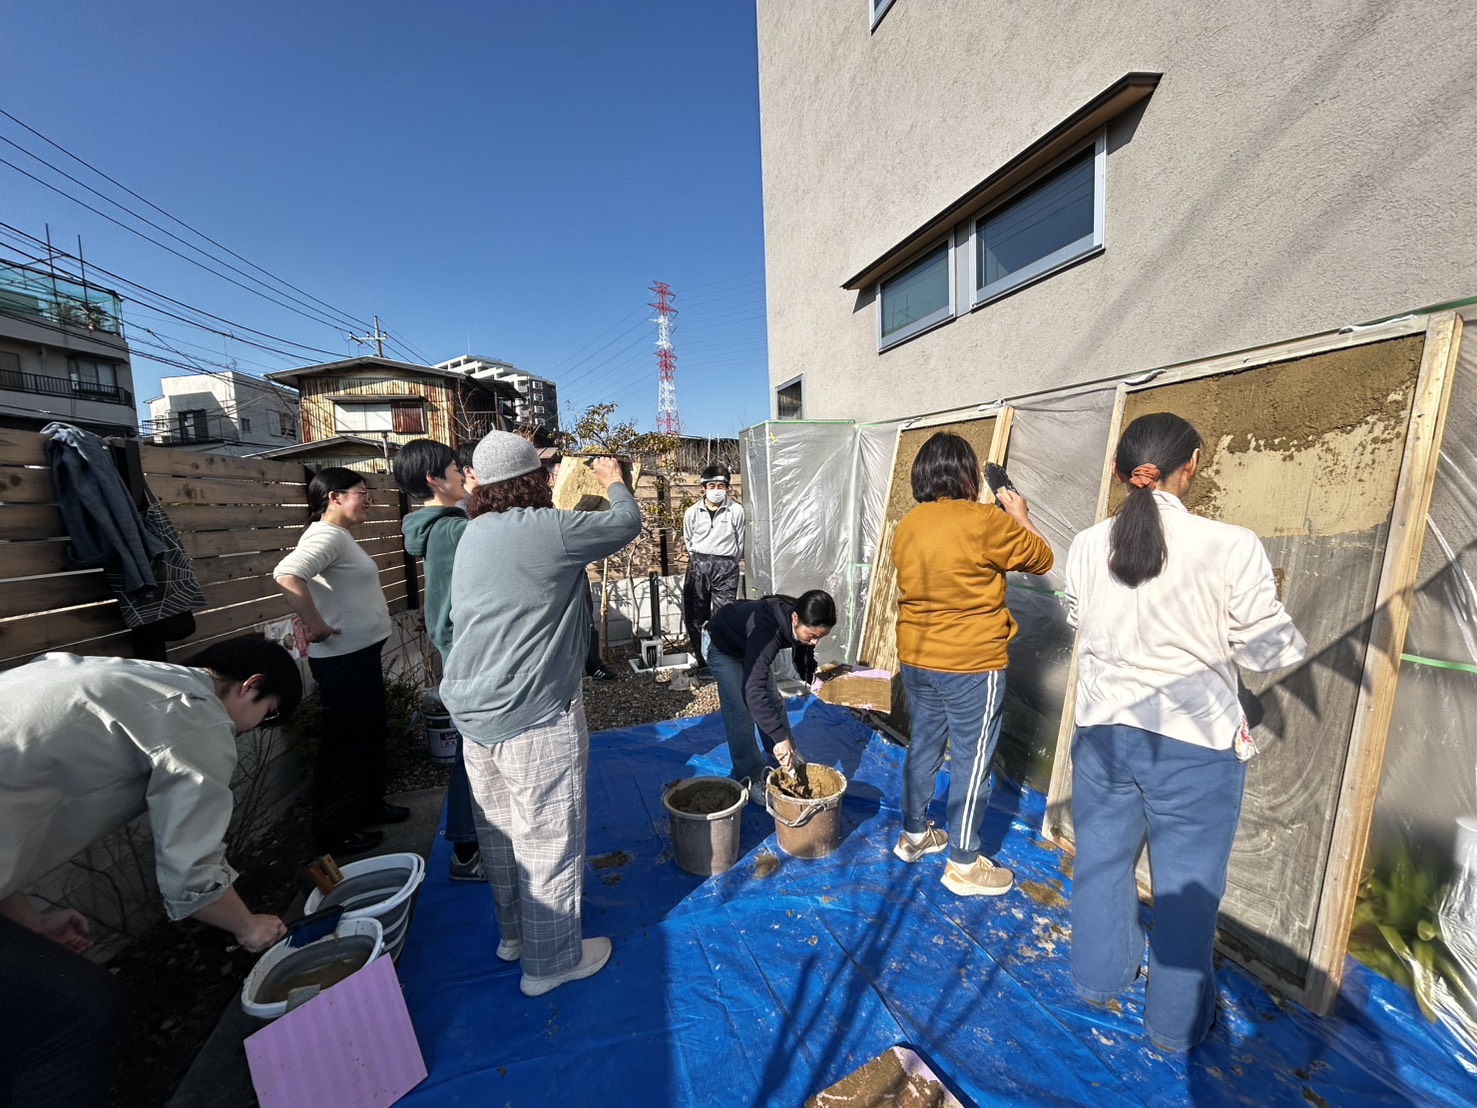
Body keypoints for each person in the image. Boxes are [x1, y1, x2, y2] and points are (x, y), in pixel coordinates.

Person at [1064, 412, 1307, 1051]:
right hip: (1194, 750)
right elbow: (1268, 653)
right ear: (1191, 465)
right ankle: (1172, 1030)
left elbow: (1077, 620)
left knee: (1101, 867)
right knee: (1185, 892)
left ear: (1122, 473)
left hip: (1102, 736)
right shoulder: (1231, 544)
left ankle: (1098, 978)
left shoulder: (1088, 545)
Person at [0, 636, 302, 1105]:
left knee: (22, 1027)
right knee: (81, 1014)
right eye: (270, 714)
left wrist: (32, 924)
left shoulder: (117, 677)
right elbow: (191, 874)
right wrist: (249, 927)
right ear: (251, 686)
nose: (257, 730)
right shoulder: (196, 713)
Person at [440, 431, 640, 997]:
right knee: (548, 833)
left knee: (500, 830)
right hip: (532, 711)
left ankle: (515, 937)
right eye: (544, 474)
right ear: (534, 481)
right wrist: (614, 481)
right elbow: (626, 524)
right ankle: (552, 961)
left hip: (474, 709)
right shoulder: (548, 531)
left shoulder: (472, 534)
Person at [890, 433, 1054, 898]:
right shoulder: (984, 521)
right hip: (971, 664)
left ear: (922, 475)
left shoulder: (910, 524)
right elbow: (1042, 558)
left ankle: (915, 835)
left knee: (923, 745)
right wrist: (1019, 515)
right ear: (966, 475)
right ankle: (963, 863)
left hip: (918, 658)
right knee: (973, 759)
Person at [274, 466, 406, 857]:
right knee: (344, 745)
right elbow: (286, 574)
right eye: (360, 492)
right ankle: (335, 832)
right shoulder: (326, 536)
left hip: (360, 656)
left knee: (369, 735)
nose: (368, 499)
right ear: (334, 497)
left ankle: (368, 806)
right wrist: (316, 625)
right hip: (343, 661)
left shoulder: (340, 537)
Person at [394, 439, 482, 882]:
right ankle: (467, 848)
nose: (464, 475)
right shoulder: (452, 529)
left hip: (457, 645)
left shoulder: (438, 525)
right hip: (467, 648)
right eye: (456, 469)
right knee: (476, 748)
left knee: (476, 744)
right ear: (434, 479)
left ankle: (472, 842)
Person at [706, 589, 836, 791]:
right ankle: (751, 776)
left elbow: (803, 661)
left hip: (749, 646)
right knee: (741, 712)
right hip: (725, 649)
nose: (814, 643)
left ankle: (785, 754)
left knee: (773, 701)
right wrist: (779, 735)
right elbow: (753, 690)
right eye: (811, 636)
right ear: (795, 618)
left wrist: (821, 683)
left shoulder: (801, 621)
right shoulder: (766, 630)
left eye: (820, 637)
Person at [683, 462, 744, 677]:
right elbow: (688, 540)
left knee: (724, 616)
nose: (717, 490)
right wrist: (700, 559)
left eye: (721, 485)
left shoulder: (736, 510)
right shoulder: (692, 512)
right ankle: (704, 662)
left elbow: (741, 541)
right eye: (712, 485)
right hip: (699, 565)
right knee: (696, 616)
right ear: (703, 487)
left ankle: (723, 661)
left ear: (727, 487)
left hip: (726, 565)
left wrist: (728, 562)